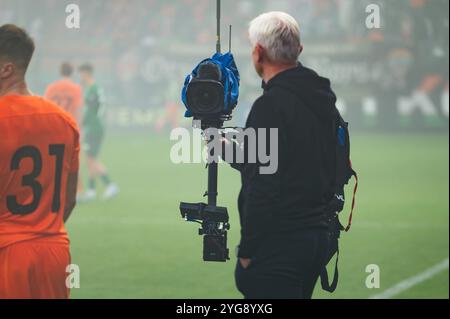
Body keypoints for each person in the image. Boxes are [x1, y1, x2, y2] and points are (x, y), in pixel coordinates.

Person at [230, 12, 338, 299]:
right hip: (316, 236)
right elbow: (293, 162)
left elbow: (264, 184)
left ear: (258, 52)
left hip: (279, 245)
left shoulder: (270, 107)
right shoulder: (322, 99)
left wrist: (248, 252)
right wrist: (232, 153)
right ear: (298, 51)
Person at [0, 24, 79, 298]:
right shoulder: (65, 121)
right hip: (55, 253)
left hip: (7, 251)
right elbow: (69, 201)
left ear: (6, 69)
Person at [77, 63, 119, 202]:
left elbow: (90, 111)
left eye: (81, 73)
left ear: (86, 73)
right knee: (89, 159)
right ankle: (91, 190)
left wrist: (82, 125)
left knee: (91, 159)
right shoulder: (94, 88)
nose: (80, 77)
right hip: (95, 127)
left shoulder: (92, 89)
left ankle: (110, 185)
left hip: (93, 127)